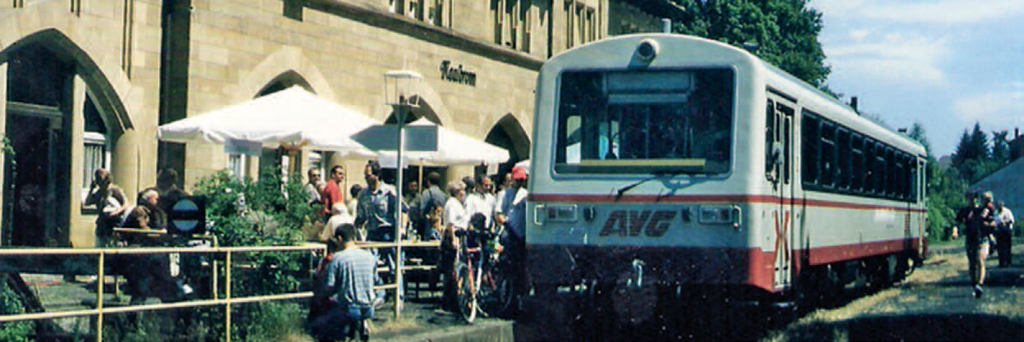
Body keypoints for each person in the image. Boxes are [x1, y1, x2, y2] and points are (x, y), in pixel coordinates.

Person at [308, 223, 376, 342]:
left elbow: (329, 286)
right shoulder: (370, 257)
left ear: (339, 239)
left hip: (349, 308)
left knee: (319, 325)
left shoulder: (338, 258)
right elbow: (374, 280)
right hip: (369, 307)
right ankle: (361, 327)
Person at [355, 160, 402, 301]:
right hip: (372, 232)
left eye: (368, 175)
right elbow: (361, 216)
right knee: (370, 264)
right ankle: (378, 293)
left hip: (387, 231)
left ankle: (398, 296)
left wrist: (402, 229)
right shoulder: (363, 194)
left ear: (377, 175)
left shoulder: (389, 191)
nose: (366, 178)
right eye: (365, 175)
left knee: (393, 265)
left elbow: (403, 210)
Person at [953, 190, 996, 298]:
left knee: (980, 260)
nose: (972, 200)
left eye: (974, 198)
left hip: (982, 238)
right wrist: (955, 231)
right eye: (970, 198)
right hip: (970, 239)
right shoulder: (964, 211)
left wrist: (989, 225)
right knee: (972, 264)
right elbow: (957, 223)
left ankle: (979, 285)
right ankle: (974, 284)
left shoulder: (982, 210)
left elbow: (992, 220)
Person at [495, 166, 529, 303]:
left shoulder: (526, 194)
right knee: (508, 266)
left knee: (522, 267)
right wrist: (507, 225)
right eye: (518, 179)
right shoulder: (504, 194)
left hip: (522, 235)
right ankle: (506, 293)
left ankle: (520, 294)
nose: (520, 182)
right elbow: (498, 214)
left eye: (522, 180)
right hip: (509, 234)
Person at [440, 180, 467, 310]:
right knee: (451, 271)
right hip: (453, 238)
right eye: (459, 190)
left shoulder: (458, 204)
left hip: (459, 238)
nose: (463, 193)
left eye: (463, 190)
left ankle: (454, 299)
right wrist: (453, 240)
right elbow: (450, 224)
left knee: (455, 270)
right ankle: (449, 301)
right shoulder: (451, 204)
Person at [84, 168, 128, 247]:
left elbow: (125, 205)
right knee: (100, 246)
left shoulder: (115, 190)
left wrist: (115, 213)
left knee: (112, 246)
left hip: (114, 224)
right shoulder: (99, 193)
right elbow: (87, 202)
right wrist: (91, 189)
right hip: (102, 225)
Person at [418, 171, 448, 241]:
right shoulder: (443, 195)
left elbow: (422, 209)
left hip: (428, 223)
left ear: (428, 182)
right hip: (440, 223)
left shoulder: (427, 193)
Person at [994, 200, 1015, 268]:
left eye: (1000, 206)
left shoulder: (1007, 211)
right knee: (1000, 247)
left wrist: (1005, 221)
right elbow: (995, 221)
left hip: (1006, 231)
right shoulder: (996, 213)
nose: (999, 207)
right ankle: (1001, 262)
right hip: (999, 231)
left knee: (1007, 247)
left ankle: (1008, 262)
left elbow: (1011, 220)